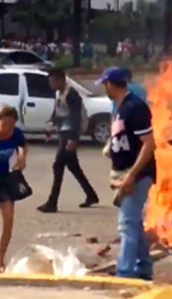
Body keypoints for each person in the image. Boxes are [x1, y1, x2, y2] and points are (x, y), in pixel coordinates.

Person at [100, 67, 157, 280]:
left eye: (105, 84)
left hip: (137, 174)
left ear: (112, 84)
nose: (104, 88)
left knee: (126, 224)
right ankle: (143, 267)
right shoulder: (121, 107)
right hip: (124, 171)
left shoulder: (135, 107)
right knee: (134, 222)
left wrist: (131, 175)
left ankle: (125, 273)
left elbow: (149, 144)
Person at [37, 68, 99, 214]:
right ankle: (91, 195)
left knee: (58, 166)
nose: (51, 84)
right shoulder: (59, 93)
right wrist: (51, 123)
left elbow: (76, 117)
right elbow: (58, 112)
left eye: (53, 81)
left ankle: (52, 203)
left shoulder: (72, 94)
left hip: (69, 135)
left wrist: (74, 139)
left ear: (61, 80)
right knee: (73, 167)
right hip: (63, 132)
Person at [0, 106, 28, 272]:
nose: (6, 130)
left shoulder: (16, 133)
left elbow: (23, 145)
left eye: (10, 127)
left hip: (5, 179)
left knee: (9, 219)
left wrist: (22, 157)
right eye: (3, 127)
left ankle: (0, 259)